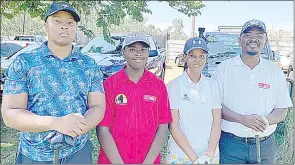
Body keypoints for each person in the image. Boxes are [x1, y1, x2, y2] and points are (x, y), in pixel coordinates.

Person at [1, 2, 106, 164]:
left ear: (75, 28)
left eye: (70, 22)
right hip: (34, 155)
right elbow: (10, 114)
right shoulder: (25, 62)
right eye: (57, 21)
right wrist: (56, 123)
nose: (64, 26)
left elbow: (98, 107)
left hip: (77, 152)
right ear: (46, 25)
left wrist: (76, 129)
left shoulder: (89, 65)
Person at [211, 19, 293, 164]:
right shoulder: (223, 69)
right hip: (231, 145)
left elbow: (282, 109)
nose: (253, 39)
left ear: (266, 40)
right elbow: (215, 106)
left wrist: (265, 121)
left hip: (266, 146)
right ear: (239, 39)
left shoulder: (275, 72)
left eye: (259, 35)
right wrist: (242, 119)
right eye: (248, 34)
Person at [97, 34, 172, 164]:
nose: (138, 54)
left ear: (148, 53)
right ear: (123, 52)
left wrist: (148, 162)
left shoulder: (158, 85)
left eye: (143, 50)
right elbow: (102, 129)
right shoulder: (110, 84)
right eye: (132, 49)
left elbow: (163, 126)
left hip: (148, 160)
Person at [165, 37, 222, 164]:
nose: (197, 60)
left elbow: (217, 122)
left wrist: (209, 154)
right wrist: (195, 159)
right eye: (192, 56)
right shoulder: (174, 86)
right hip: (181, 155)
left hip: (208, 155)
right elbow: (173, 125)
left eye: (202, 56)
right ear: (185, 57)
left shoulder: (212, 85)